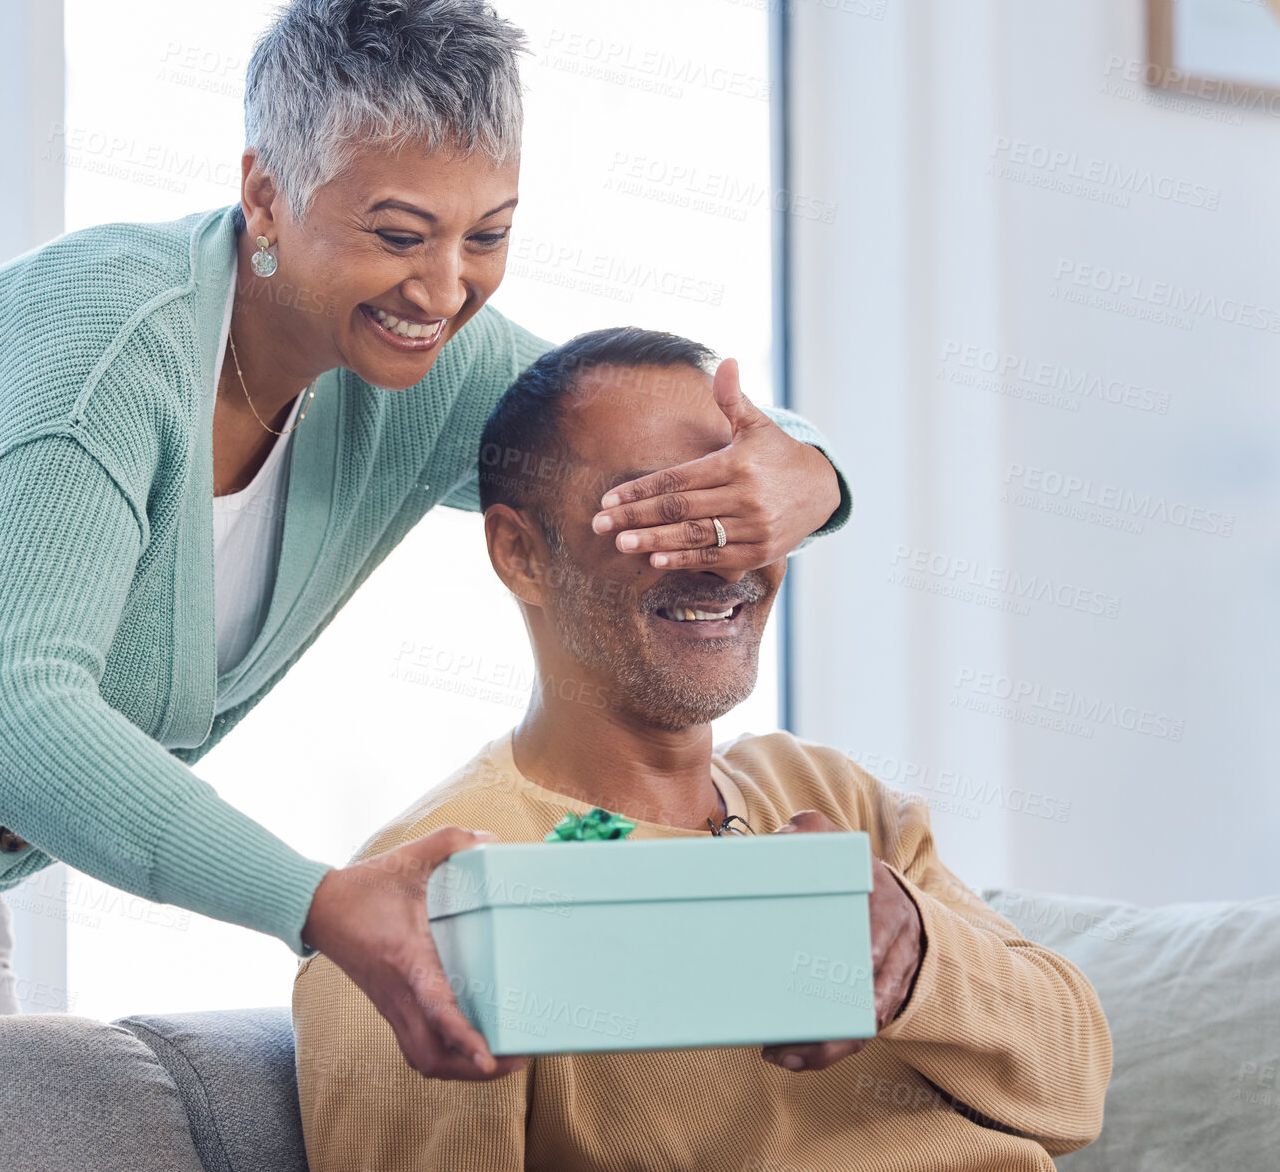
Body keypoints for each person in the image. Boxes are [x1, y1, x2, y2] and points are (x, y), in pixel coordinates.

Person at [0, 0, 848, 1059]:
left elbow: (619, 445)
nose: (445, 289)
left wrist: (807, 466)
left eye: (486, 236)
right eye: (398, 233)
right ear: (266, 191)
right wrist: (317, 901)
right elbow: (6, 712)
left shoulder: (431, 365)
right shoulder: (106, 342)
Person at [292, 328, 1111, 1171]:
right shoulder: (418, 904)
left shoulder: (826, 792)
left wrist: (917, 958)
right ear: (520, 554)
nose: (721, 556)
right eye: (658, 509)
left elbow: (1075, 1089)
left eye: (742, 503)